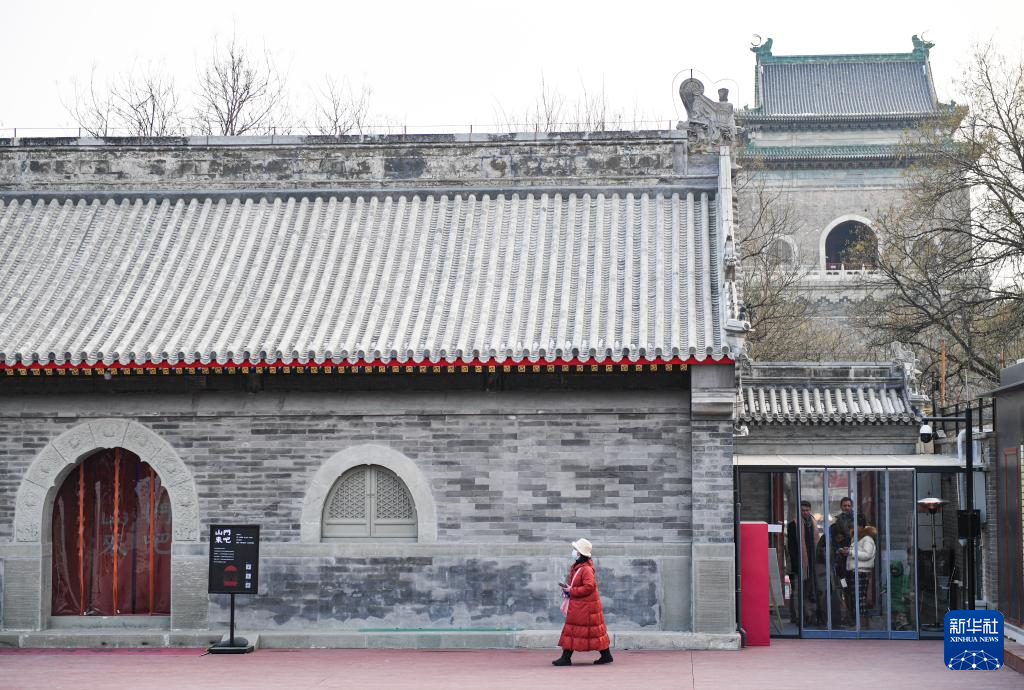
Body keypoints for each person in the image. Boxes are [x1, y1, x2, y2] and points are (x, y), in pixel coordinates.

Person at [553, 538, 612, 666]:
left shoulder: (585, 569)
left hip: (584, 607)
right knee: (593, 631)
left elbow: (589, 587)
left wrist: (572, 590)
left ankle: (566, 658)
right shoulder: (581, 567)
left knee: (573, 630)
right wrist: (570, 588)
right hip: (584, 606)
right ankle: (606, 655)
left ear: (579, 553)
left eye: (575, 550)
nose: (573, 552)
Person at [787, 500, 820, 625]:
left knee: (809, 590)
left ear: (810, 510)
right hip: (799, 563)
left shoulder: (813, 523)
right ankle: (797, 617)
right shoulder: (793, 525)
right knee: (797, 591)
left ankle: (809, 615)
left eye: (807, 510)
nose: (805, 512)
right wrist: (796, 564)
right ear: (799, 511)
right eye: (803, 510)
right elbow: (791, 546)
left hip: (811, 562)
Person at [847, 513, 877, 620]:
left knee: (859, 597)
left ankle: (862, 620)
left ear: (860, 526)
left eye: (854, 526)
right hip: (857, 571)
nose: (852, 528)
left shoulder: (867, 538)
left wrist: (850, 552)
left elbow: (867, 555)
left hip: (861, 571)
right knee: (858, 597)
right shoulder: (857, 538)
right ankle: (860, 620)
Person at [830, 497, 855, 625]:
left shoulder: (857, 520)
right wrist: (839, 550)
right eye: (844, 505)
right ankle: (848, 615)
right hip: (841, 563)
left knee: (854, 588)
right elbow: (832, 540)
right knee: (845, 588)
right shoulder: (836, 522)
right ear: (841, 506)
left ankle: (854, 615)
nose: (847, 508)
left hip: (854, 560)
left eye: (849, 505)